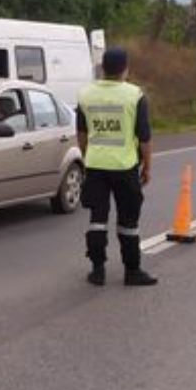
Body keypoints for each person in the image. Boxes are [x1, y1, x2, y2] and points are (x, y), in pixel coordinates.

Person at [76, 48, 157, 287]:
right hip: (125, 166)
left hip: (96, 166)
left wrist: (87, 156)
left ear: (102, 68)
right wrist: (147, 167)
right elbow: (144, 137)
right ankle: (132, 271)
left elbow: (81, 134)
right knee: (128, 221)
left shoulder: (85, 95)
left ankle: (97, 270)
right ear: (125, 69)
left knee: (97, 219)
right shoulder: (135, 95)